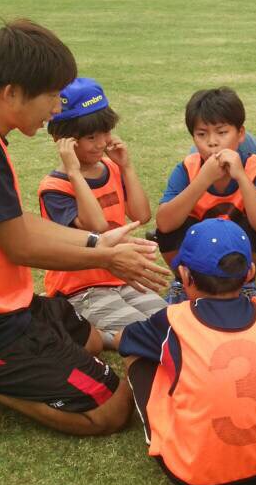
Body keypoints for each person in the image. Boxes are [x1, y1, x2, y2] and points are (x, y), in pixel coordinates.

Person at [0, 19, 170, 440]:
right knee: (113, 410)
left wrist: (96, 241)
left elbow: (15, 222)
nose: (56, 109)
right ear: (11, 93)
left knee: (90, 339)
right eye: (52, 95)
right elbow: (19, 246)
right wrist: (106, 257)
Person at [119, 219, 256, 485]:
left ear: (185, 275)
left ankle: (159, 436)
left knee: (137, 355)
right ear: (250, 273)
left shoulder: (173, 319)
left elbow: (126, 340)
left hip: (193, 472)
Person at [37, 76, 164, 351]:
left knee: (168, 323)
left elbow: (141, 215)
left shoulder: (111, 167)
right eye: (90, 137)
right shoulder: (55, 188)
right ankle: (80, 328)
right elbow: (95, 226)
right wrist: (73, 172)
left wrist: (126, 167)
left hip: (121, 276)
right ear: (63, 140)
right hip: (82, 290)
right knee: (143, 337)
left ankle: (99, 333)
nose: (101, 143)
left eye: (105, 133)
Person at [155, 87, 256, 303]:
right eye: (201, 134)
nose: (212, 142)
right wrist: (203, 179)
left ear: (240, 134)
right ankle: (183, 280)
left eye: (222, 132)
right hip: (199, 243)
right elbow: (164, 224)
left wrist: (241, 177)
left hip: (236, 243)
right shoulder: (187, 168)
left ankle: (244, 281)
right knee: (169, 229)